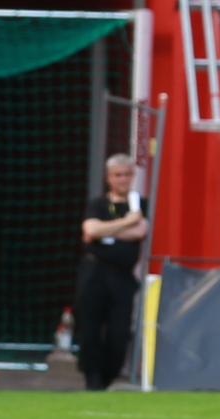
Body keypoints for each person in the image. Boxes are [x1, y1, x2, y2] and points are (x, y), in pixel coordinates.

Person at [76, 153, 148, 391]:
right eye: (118, 175)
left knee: (119, 332)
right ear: (109, 178)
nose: (123, 179)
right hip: (95, 272)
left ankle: (109, 375)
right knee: (90, 326)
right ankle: (92, 378)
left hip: (123, 275)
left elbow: (140, 231)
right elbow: (90, 230)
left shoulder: (139, 204)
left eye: (127, 175)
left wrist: (105, 230)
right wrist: (128, 222)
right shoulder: (98, 204)